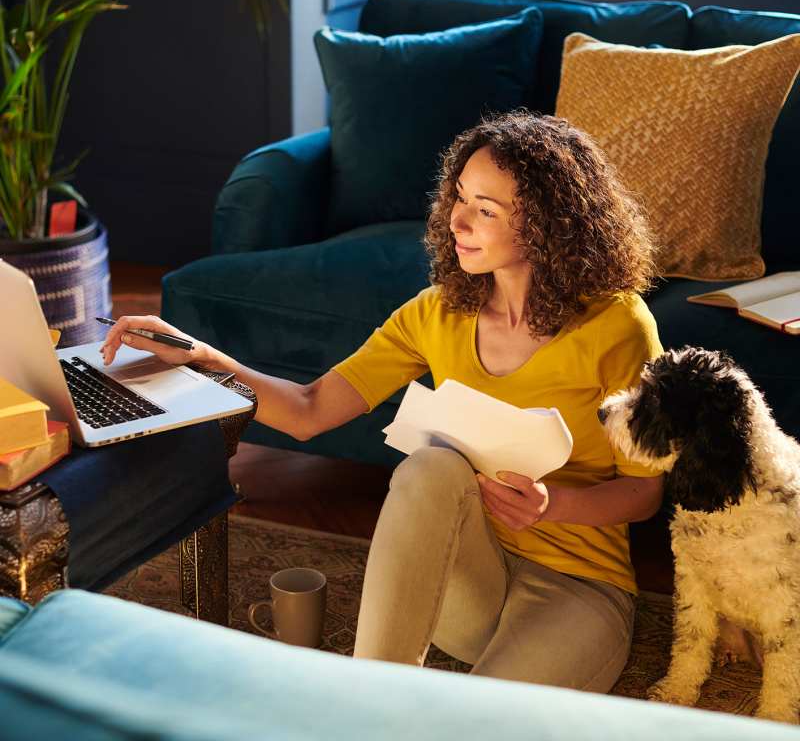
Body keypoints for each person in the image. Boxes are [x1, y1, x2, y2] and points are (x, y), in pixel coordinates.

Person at [101, 109, 664, 693]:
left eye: (485, 210)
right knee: (432, 467)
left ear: (546, 226)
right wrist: (199, 358)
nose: (457, 219)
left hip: (577, 583)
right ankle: (367, 698)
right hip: (464, 579)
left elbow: (645, 492)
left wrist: (551, 507)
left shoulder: (617, 326)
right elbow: (308, 408)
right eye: (460, 197)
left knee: (481, 724)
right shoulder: (437, 312)